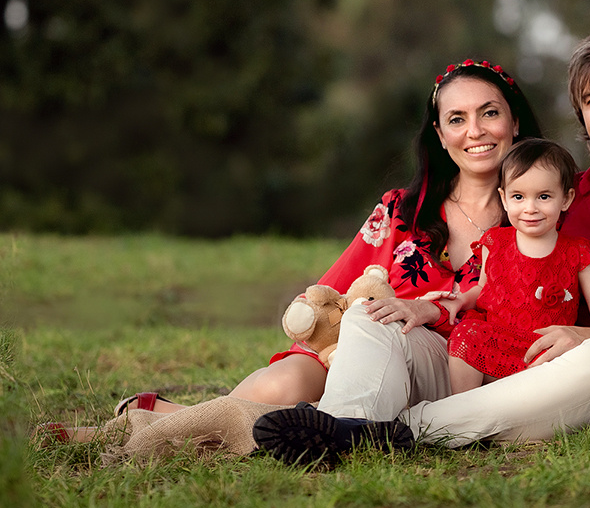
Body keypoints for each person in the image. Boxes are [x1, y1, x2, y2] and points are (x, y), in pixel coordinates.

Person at [253, 27, 590, 464]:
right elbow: (497, 284)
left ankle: (407, 430)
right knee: (371, 317)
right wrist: (434, 308)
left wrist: (588, 338)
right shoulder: (554, 196)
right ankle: (344, 427)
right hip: (504, 371)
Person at [43, 58, 541, 446]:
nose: (475, 131)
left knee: (306, 406)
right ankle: (146, 427)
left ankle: (155, 419)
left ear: (514, 121)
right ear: (439, 135)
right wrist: (314, 353)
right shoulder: (401, 212)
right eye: (456, 119)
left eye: (489, 113)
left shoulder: (544, 210)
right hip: (371, 355)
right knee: (284, 385)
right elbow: (335, 296)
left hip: (462, 376)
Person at [436, 138, 590, 393]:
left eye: (543, 196)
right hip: (498, 345)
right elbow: (482, 289)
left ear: (566, 199)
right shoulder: (495, 242)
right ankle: (463, 403)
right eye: (518, 196)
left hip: (547, 352)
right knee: (466, 333)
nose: (530, 208)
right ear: (504, 198)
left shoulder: (578, 252)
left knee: (584, 361)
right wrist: (462, 300)